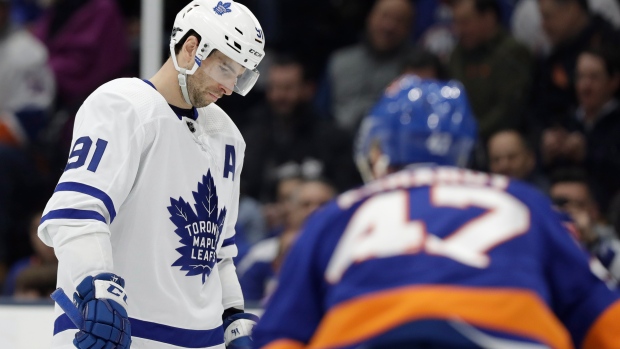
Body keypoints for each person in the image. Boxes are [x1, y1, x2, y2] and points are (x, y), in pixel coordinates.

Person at [252, 75, 620, 348]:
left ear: (379, 151)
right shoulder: (523, 200)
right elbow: (600, 311)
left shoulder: (341, 211)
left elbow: (280, 335)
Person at [37, 1, 266, 348]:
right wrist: (95, 292)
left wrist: (232, 316)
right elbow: (77, 214)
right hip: (121, 331)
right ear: (191, 48)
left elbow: (219, 251)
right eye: (225, 69)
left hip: (204, 339)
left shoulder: (227, 135)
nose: (231, 87)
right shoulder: (122, 104)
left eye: (241, 74)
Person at [317, 0, 414, 134]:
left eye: (399, 20)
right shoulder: (340, 61)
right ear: (370, 18)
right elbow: (320, 114)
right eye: (384, 16)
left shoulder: (412, 73)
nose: (389, 26)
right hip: (338, 144)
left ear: (408, 29)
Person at [449, 0, 532, 141]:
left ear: (488, 18)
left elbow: (509, 110)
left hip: (503, 140)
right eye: (456, 23)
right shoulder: (457, 55)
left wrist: (472, 132)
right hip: (462, 140)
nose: (459, 30)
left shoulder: (512, 53)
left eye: (465, 23)